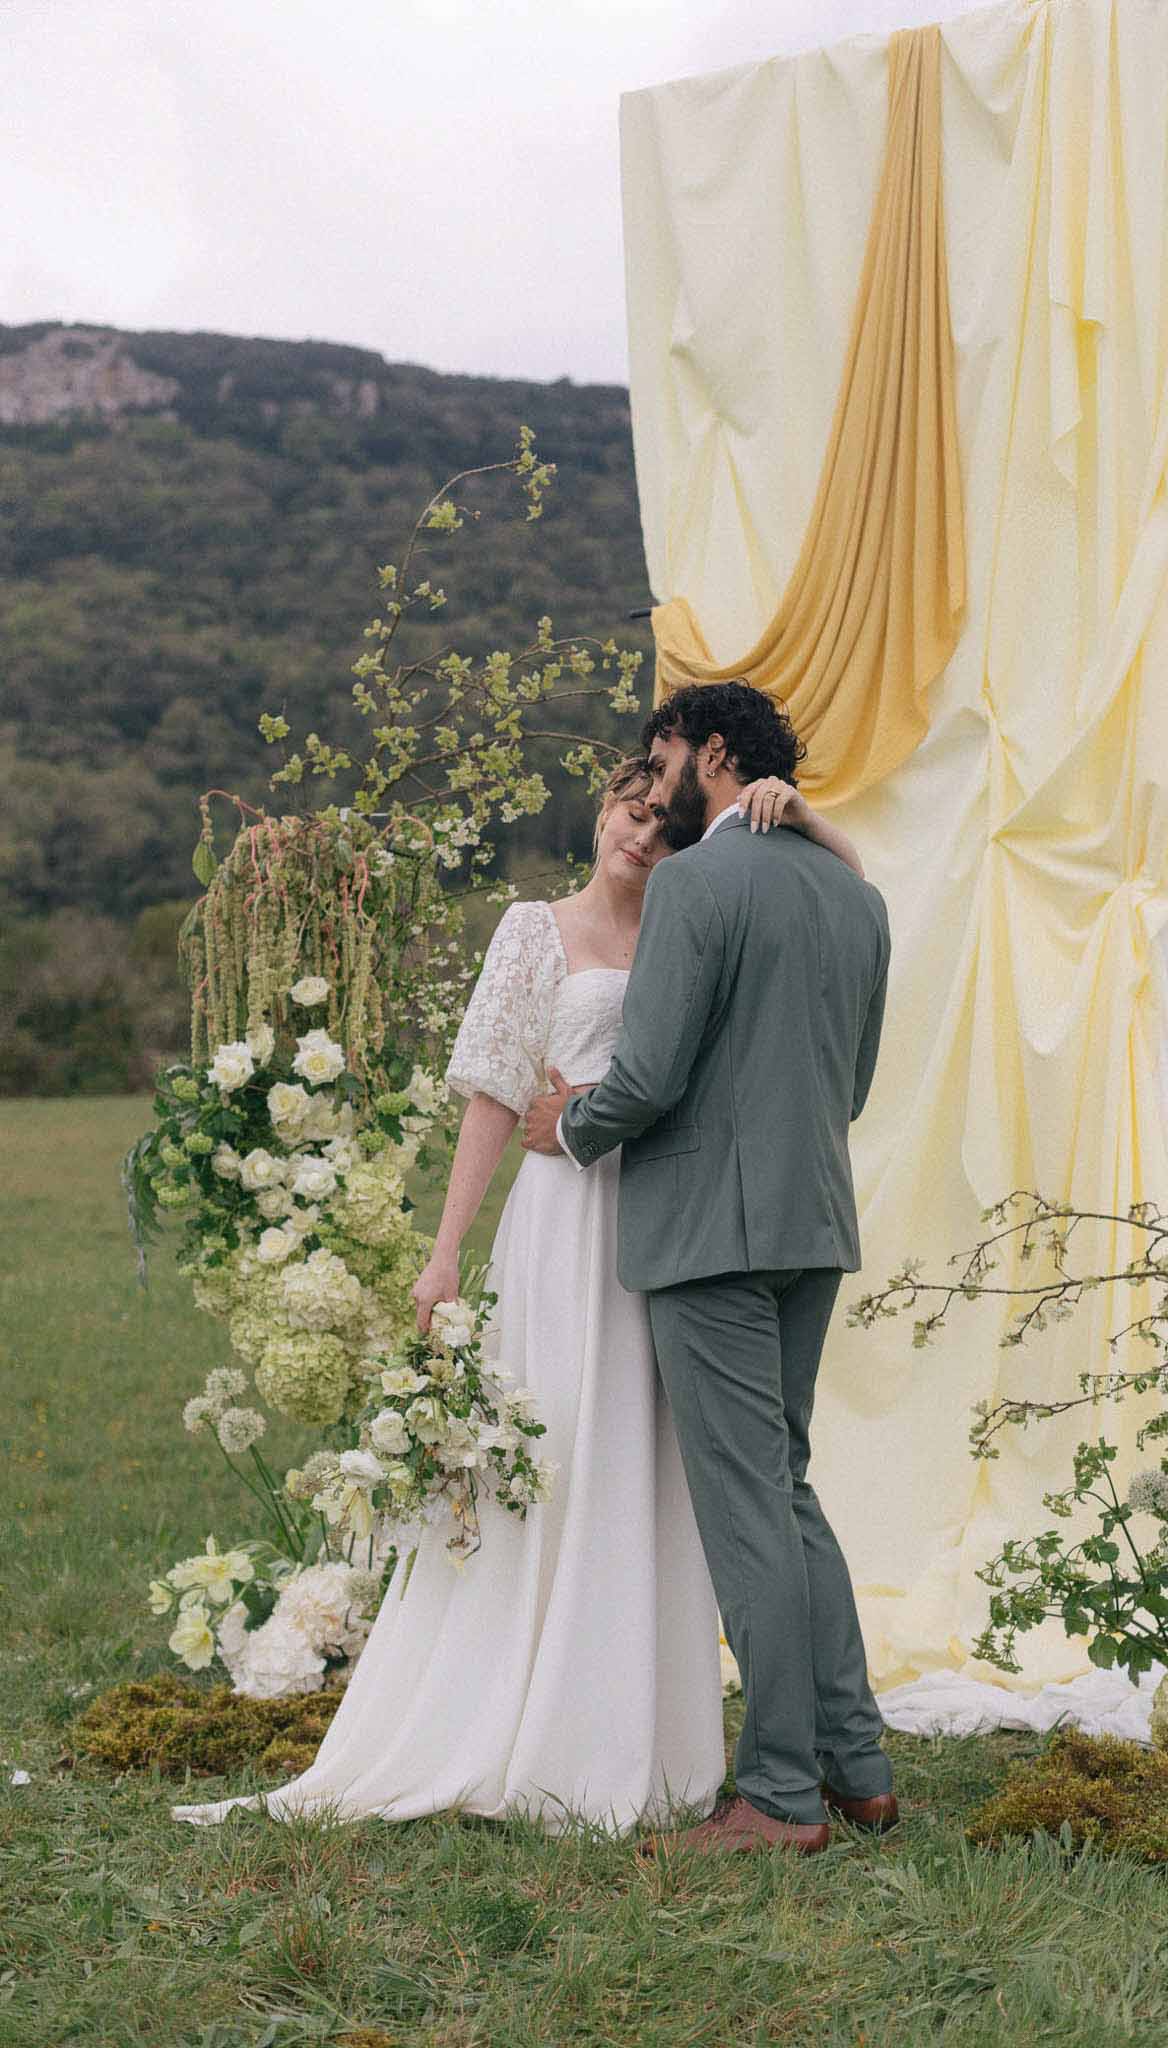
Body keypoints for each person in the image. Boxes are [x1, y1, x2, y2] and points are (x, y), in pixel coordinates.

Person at [172, 739, 865, 1835]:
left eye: (663, 820)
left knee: (655, 1468)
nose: (642, 833)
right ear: (599, 814)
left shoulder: (698, 917)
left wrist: (808, 819)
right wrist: (446, 1252)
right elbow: (494, 1095)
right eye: (629, 812)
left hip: (671, 1229)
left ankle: (640, 1723)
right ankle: (532, 1707)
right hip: (561, 1225)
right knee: (557, 1448)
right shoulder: (534, 931)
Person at [522, 681, 897, 1857]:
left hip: (710, 1238)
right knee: (783, 1487)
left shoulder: (693, 883)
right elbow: (850, 1086)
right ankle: (859, 1765)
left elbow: (647, 1075)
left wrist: (569, 1129)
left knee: (746, 1506)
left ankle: (779, 1797)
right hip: (813, 1223)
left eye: (663, 748)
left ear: (715, 753)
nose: (654, 769)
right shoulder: (856, 893)